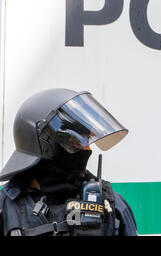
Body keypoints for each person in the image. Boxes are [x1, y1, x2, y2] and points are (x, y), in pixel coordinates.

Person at [0, 88, 138, 236]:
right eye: (77, 141)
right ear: (46, 145)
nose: (87, 149)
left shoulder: (111, 206)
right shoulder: (5, 207)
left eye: (88, 140)